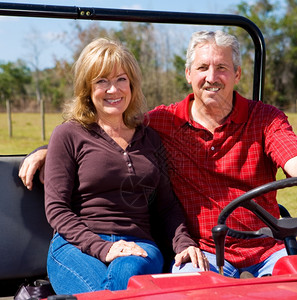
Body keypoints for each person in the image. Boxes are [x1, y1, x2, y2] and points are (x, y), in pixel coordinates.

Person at [19, 31, 297, 279]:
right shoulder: (165, 121)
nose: (212, 77)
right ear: (188, 75)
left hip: (268, 249)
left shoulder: (266, 119)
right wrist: (51, 149)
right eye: (203, 68)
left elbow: (296, 159)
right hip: (204, 253)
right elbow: (107, 130)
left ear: (237, 74)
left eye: (222, 68)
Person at [29, 37, 207, 295]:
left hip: (139, 247)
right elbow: (57, 209)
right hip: (76, 246)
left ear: (132, 85)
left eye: (121, 79)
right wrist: (104, 248)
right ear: (87, 90)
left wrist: (183, 243)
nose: (113, 90)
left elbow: (166, 206)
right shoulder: (68, 134)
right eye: (102, 81)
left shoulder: (150, 138)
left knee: (126, 268)